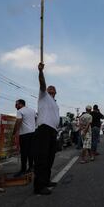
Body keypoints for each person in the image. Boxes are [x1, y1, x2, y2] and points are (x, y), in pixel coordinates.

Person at [34, 63, 60, 195]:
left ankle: (46, 181)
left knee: (50, 157)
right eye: (49, 88)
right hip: (44, 129)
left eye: (53, 89)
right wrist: (40, 72)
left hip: (53, 131)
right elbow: (42, 83)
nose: (50, 89)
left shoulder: (55, 103)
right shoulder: (43, 96)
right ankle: (38, 186)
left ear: (55, 92)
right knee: (42, 158)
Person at [13, 99, 36, 177]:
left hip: (24, 134)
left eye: (16, 104)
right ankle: (31, 167)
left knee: (24, 152)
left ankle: (23, 170)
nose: (15, 106)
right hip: (33, 133)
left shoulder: (20, 111)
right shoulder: (32, 110)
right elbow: (35, 119)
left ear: (20, 104)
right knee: (31, 151)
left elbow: (18, 121)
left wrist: (15, 131)